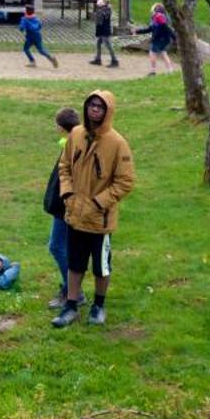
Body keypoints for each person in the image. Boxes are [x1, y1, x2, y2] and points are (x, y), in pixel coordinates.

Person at [53, 89, 135, 328]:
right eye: (92, 105)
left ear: (107, 111)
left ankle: (99, 305)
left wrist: (99, 203)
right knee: (74, 263)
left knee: (101, 266)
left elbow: (125, 181)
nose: (95, 110)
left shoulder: (117, 143)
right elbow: (64, 165)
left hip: (100, 221)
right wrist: (67, 193)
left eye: (100, 106)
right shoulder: (76, 134)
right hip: (75, 215)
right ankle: (70, 305)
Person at [43, 106, 80, 308]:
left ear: (60, 127)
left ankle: (73, 291)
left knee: (57, 246)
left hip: (66, 206)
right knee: (64, 247)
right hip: (64, 205)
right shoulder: (70, 143)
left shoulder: (73, 146)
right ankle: (71, 289)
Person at [135, 6, 177, 75]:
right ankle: (170, 70)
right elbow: (150, 29)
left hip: (160, 39)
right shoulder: (157, 18)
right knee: (163, 53)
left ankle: (153, 71)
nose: (152, 12)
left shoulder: (159, 17)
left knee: (152, 53)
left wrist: (174, 37)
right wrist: (137, 31)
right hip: (163, 39)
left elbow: (166, 27)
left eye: (153, 10)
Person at [19, 4, 58, 68]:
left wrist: (22, 28)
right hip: (38, 35)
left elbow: (21, 28)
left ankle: (32, 62)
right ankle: (51, 57)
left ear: (26, 12)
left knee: (26, 49)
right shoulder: (36, 18)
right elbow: (40, 26)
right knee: (41, 50)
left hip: (30, 36)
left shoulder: (24, 19)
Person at [89, 0, 117, 67]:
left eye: (100, 0)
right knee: (98, 43)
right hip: (100, 29)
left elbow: (104, 15)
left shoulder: (107, 9)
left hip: (105, 30)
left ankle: (115, 60)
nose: (98, 1)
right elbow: (97, 20)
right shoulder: (100, 9)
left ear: (104, 3)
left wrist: (100, 9)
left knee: (108, 45)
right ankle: (98, 59)